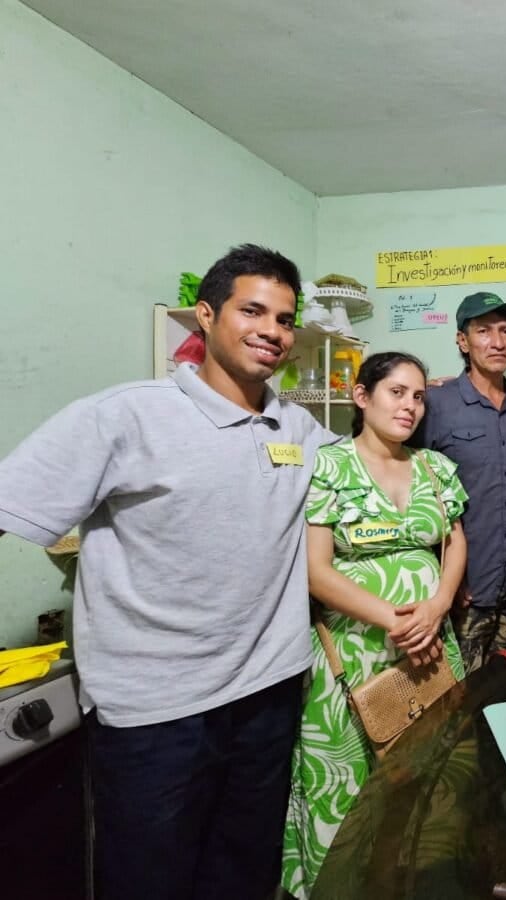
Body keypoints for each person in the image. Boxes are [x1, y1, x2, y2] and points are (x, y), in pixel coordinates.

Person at [0, 244, 332, 899]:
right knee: (148, 878)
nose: (272, 330)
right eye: (253, 310)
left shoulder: (300, 427)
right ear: (206, 316)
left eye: (286, 319)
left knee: (242, 872)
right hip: (155, 710)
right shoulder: (126, 415)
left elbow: (364, 486)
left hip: (267, 692)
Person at [282, 351, 468, 898]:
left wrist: (436, 606)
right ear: (362, 397)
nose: (410, 406)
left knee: (425, 776)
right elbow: (316, 571)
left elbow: (454, 544)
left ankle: (407, 880)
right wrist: (394, 618)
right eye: (396, 392)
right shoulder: (328, 466)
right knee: (347, 787)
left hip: (432, 648)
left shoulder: (435, 468)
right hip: (355, 653)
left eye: (417, 396)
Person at [413, 291, 506, 673]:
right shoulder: (436, 404)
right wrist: (444, 584)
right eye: (484, 331)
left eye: (505, 331)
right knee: (458, 706)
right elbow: (414, 495)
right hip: (463, 593)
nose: (498, 341)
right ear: (462, 340)